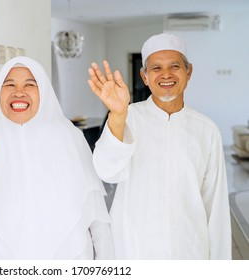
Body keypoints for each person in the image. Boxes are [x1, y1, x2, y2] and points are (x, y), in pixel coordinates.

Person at [0, 56, 114, 260]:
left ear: (42, 90)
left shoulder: (69, 137)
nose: (19, 91)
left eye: (29, 84)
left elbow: (97, 218)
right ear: (0, 91)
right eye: (10, 84)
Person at [87, 33, 231, 259]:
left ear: (189, 72)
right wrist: (117, 114)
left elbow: (216, 209)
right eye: (156, 68)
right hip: (134, 248)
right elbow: (106, 171)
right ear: (144, 76)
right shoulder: (127, 116)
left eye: (174, 66)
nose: (166, 74)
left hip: (190, 250)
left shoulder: (207, 130)